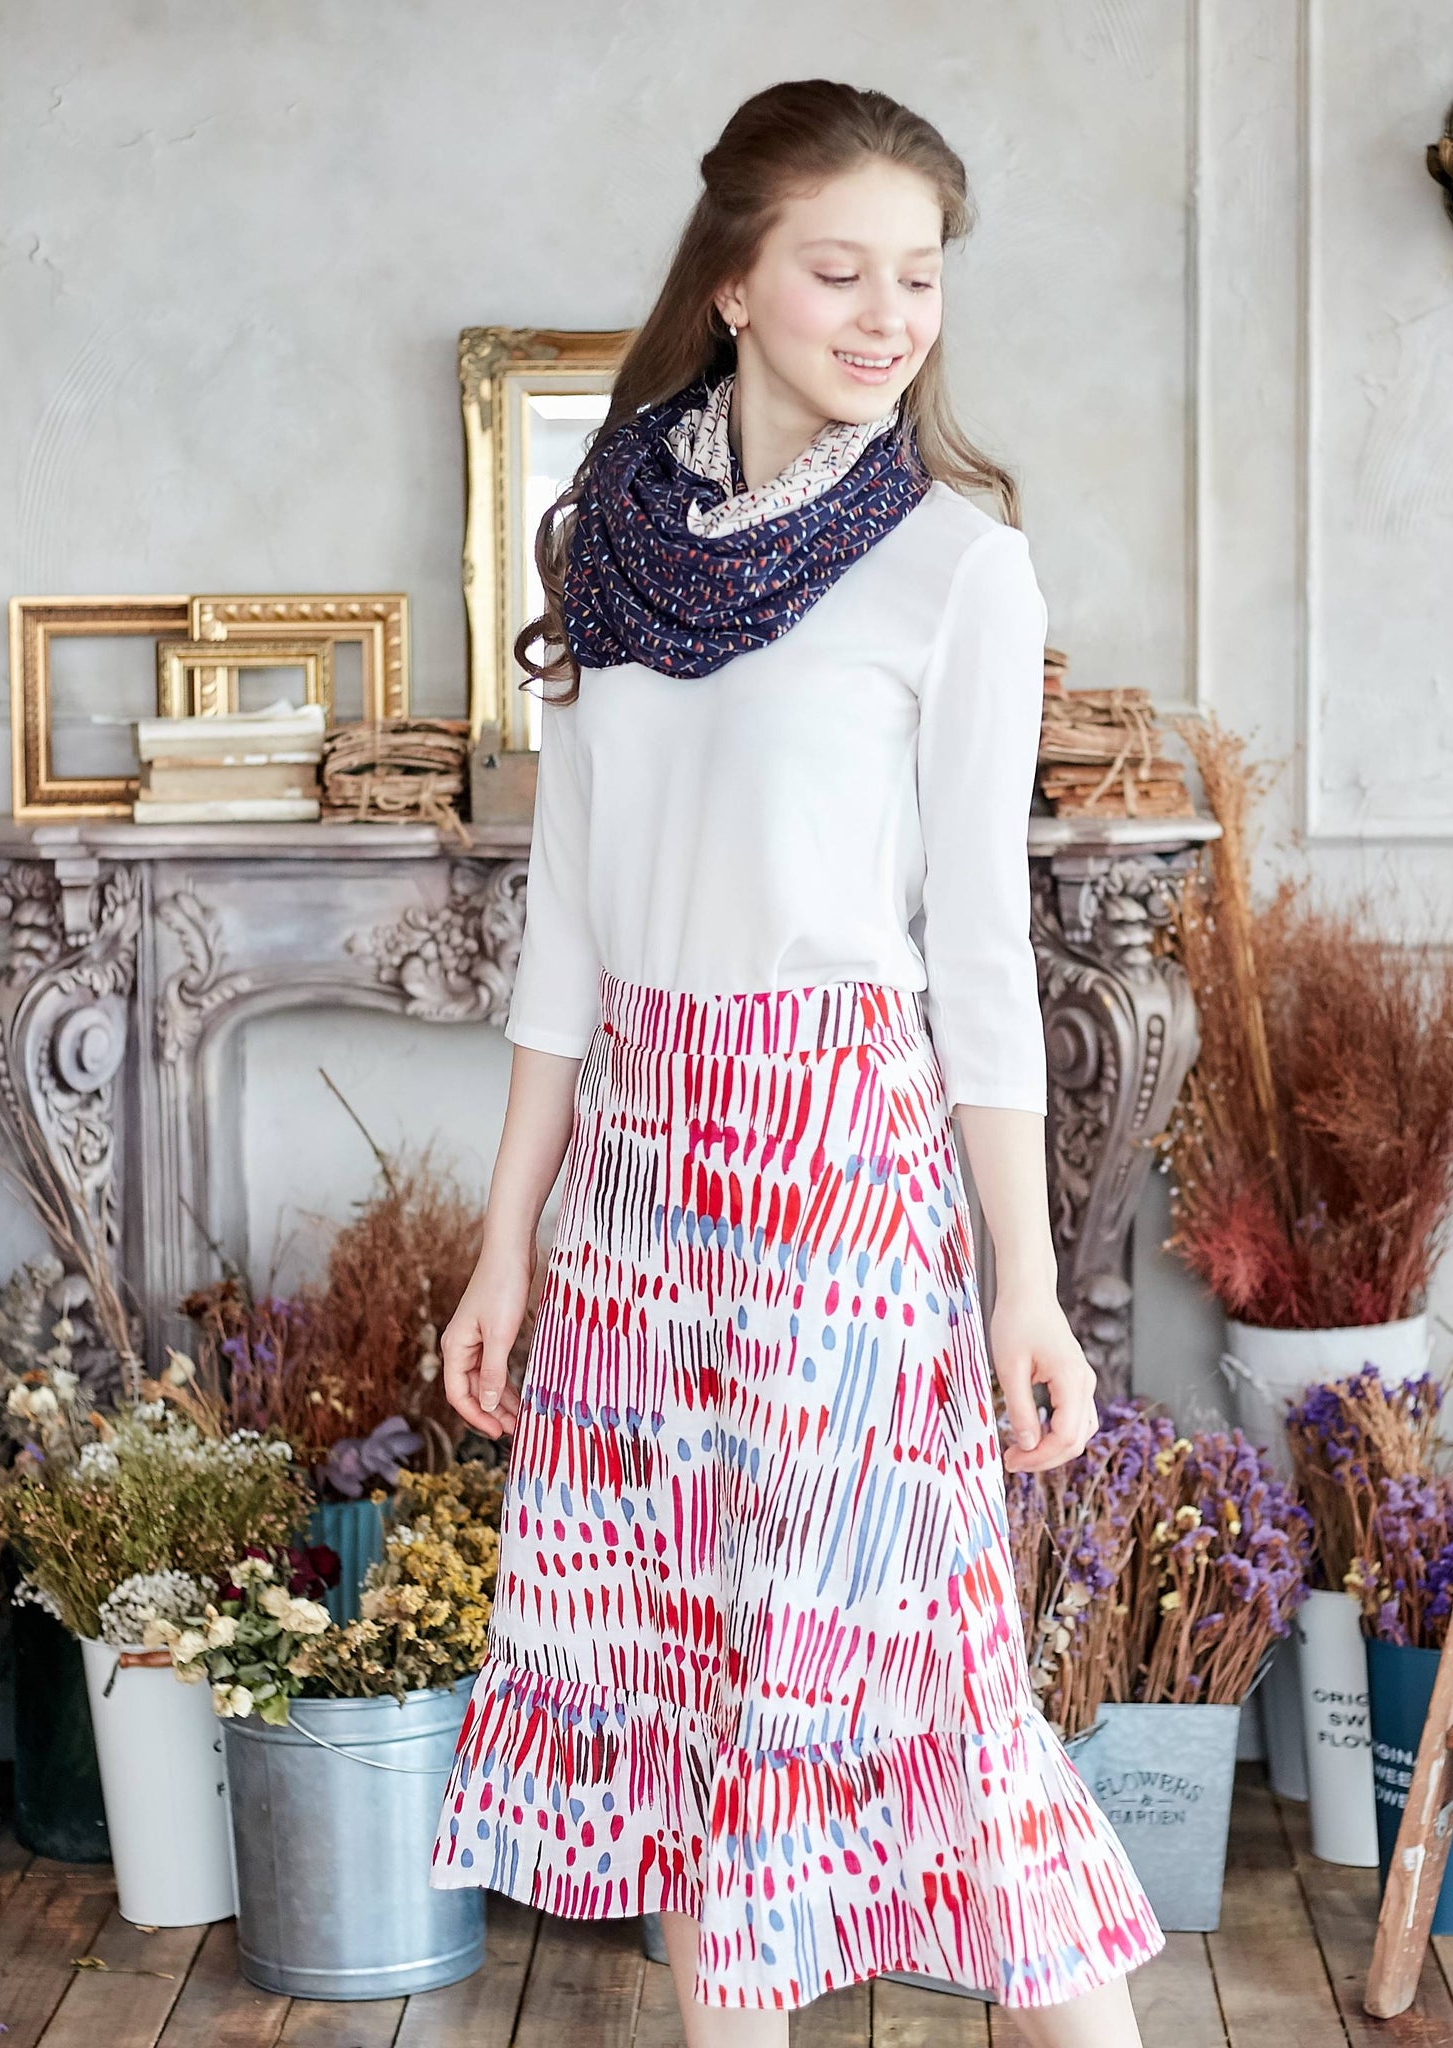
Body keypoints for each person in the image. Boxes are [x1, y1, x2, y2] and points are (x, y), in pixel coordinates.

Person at [431, 76, 1161, 2048]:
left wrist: (1024, 1281)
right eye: (841, 270)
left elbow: (978, 957)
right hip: (635, 1190)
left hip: (839, 1168)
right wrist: (506, 1245)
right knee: (684, 1709)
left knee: (923, 1692)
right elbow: (566, 937)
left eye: (918, 276)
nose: (887, 315)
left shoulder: (954, 568)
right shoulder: (613, 550)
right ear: (734, 281)